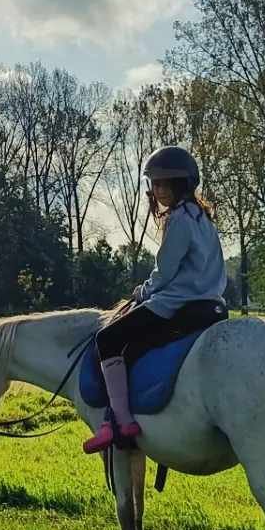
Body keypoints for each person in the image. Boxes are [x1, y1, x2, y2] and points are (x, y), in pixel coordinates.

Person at [82, 146, 229, 453]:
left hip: (178, 305)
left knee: (108, 339)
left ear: (180, 185)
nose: (157, 190)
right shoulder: (203, 218)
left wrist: (142, 293)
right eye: (154, 183)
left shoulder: (178, 220)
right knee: (135, 347)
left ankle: (121, 421)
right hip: (212, 306)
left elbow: (164, 273)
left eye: (163, 183)